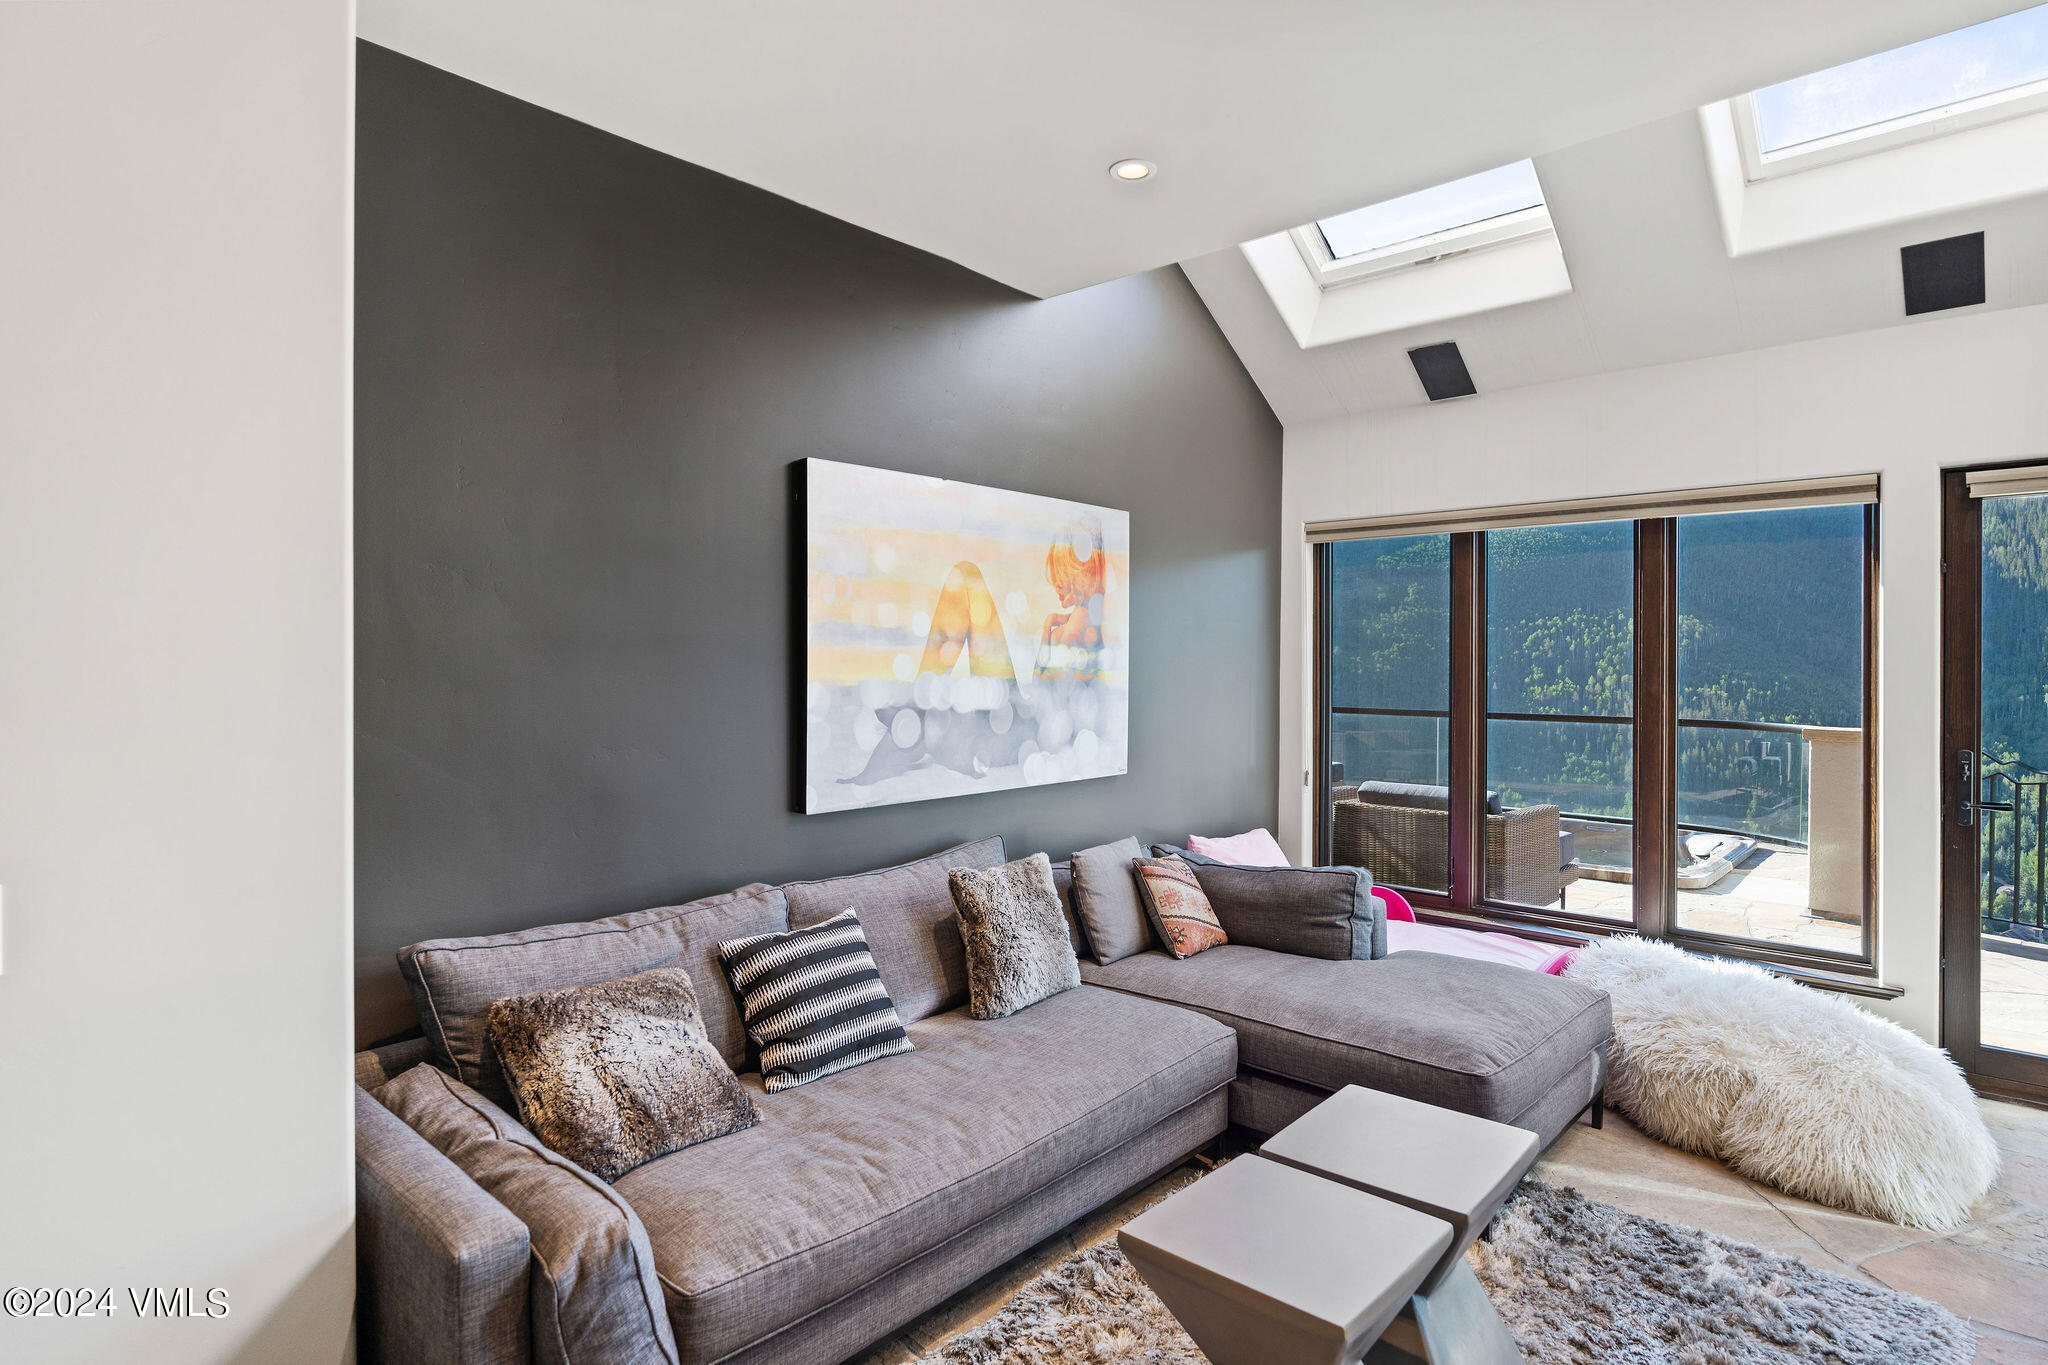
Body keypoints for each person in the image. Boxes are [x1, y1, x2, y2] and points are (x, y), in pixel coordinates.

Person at [845, 517, 1107, 787]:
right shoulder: (1075, 621)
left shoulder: (1084, 626)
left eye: (1063, 573)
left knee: (967, 577)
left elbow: (1064, 723)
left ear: (1083, 571)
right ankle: (916, 711)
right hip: (1020, 715)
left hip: (1017, 734)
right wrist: (1046, 631)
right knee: (967, 576)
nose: (1056, 583)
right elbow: (1046, 692)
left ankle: (915, 714)